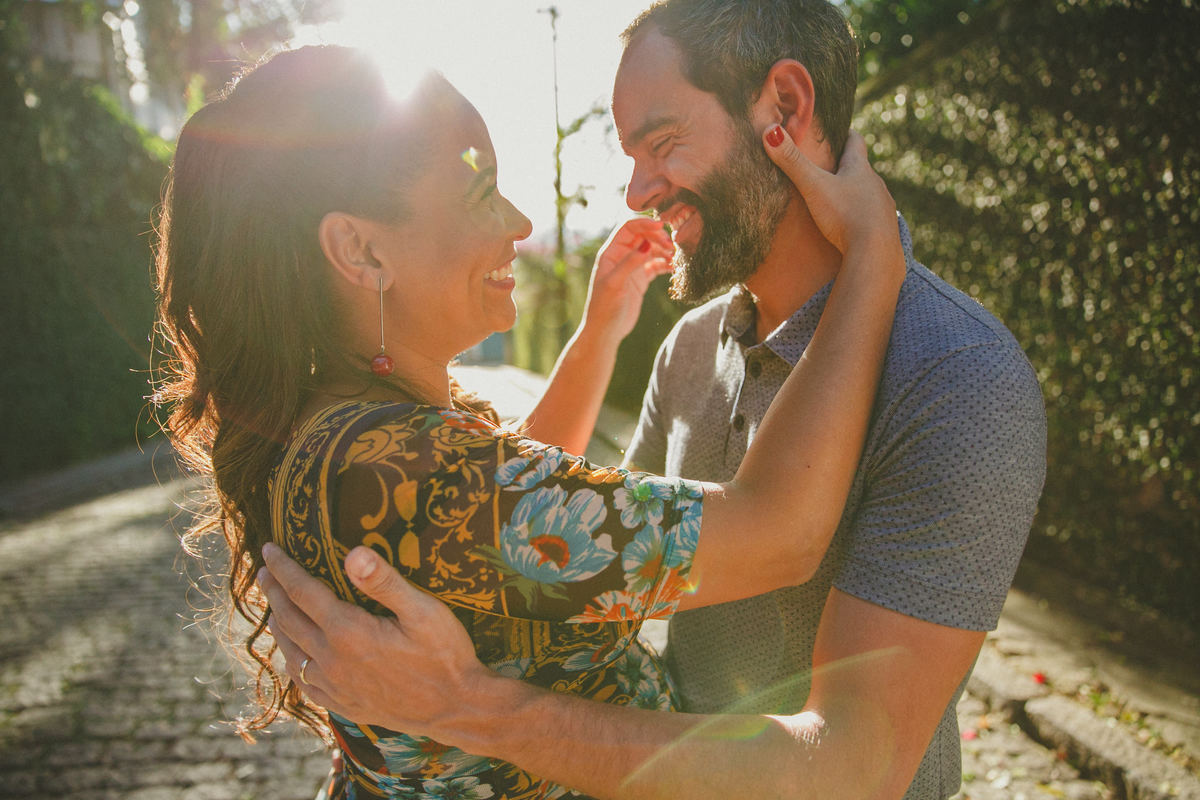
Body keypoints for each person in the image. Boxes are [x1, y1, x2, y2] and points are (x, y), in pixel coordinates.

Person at [259, 1, 1048, 798]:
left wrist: (461, 710)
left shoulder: (958, 377)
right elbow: (571, 550)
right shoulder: (691, 350)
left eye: (661, 142)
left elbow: (856, 770)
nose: (638, 191)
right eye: (631, 153)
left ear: (786, 106)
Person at [155, 42, 908, 800]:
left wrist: (601, 327)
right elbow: (780, 533)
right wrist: (874, 257)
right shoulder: (406, 472)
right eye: (480, 192)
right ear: (359, 248)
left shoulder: (344, 442)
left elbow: (511, 533)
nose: (517, 222)